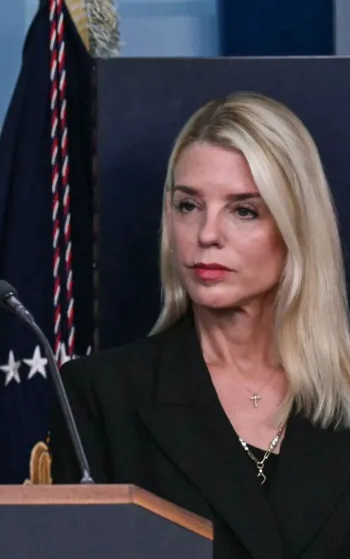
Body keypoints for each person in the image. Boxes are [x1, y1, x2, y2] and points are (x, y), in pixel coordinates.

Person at [49, 92, 350, 558]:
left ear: (296, 227)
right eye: (188, 205)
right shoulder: (101, 396)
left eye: (243, 210)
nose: (207, 234)